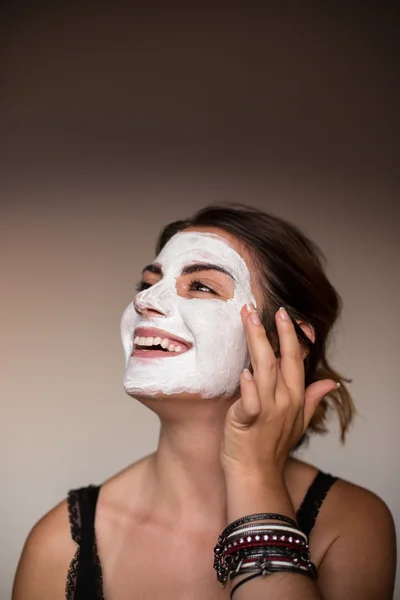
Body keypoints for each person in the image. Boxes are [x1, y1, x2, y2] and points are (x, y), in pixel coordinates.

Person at [12, 205, 396, 599]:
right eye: (148, 283)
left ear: (288, 345)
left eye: (202, 286)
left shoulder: (350, 522)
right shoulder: (59, 542)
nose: (147, 301)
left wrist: (253, 475)